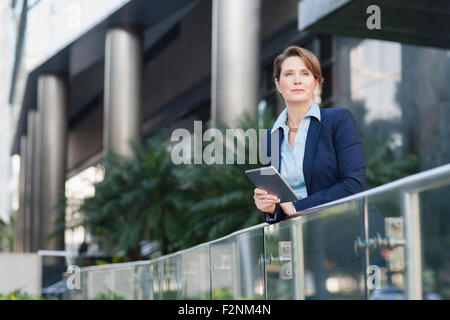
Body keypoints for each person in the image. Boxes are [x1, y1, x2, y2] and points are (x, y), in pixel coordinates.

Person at [254, 46, 366, 224]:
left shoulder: (338, 121)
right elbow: (281, 207)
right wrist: (269, 208)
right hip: (299, 238)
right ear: (277, 84)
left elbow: (354, 185)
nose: (297, 80)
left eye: (305, 73)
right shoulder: (270, 138)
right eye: (289, 74)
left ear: (316, 82)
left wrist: (299, 207)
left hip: (345, 230)